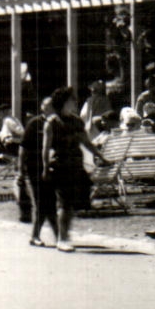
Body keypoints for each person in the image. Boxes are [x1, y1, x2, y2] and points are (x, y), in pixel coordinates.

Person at [41, 86, 111, 252]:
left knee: (70, 204)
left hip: (76, 165)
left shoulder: (76, 121)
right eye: (72, 99)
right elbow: (46, 148)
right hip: (60, 166)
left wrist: (100, 157)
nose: (75, 102)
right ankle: (62, 239)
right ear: (63, 102)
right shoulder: (52, 123)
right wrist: (45, 168)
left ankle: (62, 235)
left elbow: (86, 142)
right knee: (65, 204)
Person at [20, 96, 53, 235]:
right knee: (41, 202)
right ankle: (36, 235)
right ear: (42, 108)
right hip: (35, 166)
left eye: (51, 105)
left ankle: (56, 235)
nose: (49, 108)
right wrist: (20, 169)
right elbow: (23, 147)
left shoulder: (57, 123)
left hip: (52, 167)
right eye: (46, 105)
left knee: (49, 202)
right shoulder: (34, 123)